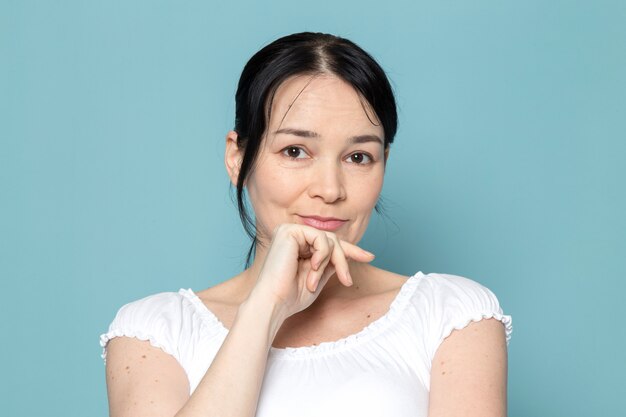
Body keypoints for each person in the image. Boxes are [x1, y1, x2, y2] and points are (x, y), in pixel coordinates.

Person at [100, 32, 512, 417]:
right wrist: (265, 306)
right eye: (295, 151)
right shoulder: (156, 331)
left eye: (358, 157)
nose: (330, 189)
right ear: (237, 158)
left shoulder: (451, 316)